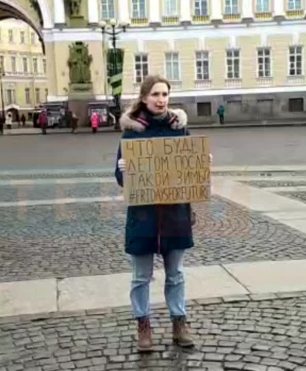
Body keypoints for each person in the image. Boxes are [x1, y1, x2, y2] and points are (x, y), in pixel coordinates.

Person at [115, 75, 197, 352]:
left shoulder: (179, 129)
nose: (161, 100)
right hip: (143, 215)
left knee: (176, 274)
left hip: (175, 214)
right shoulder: (132, 132)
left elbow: (189, 171)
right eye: (155, 95)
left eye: (165, 94)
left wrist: (200, 163)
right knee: (141, 276)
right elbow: (119, 176)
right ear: (144, 98)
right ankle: (143, 325)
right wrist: (123, 169)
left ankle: (179, 321)